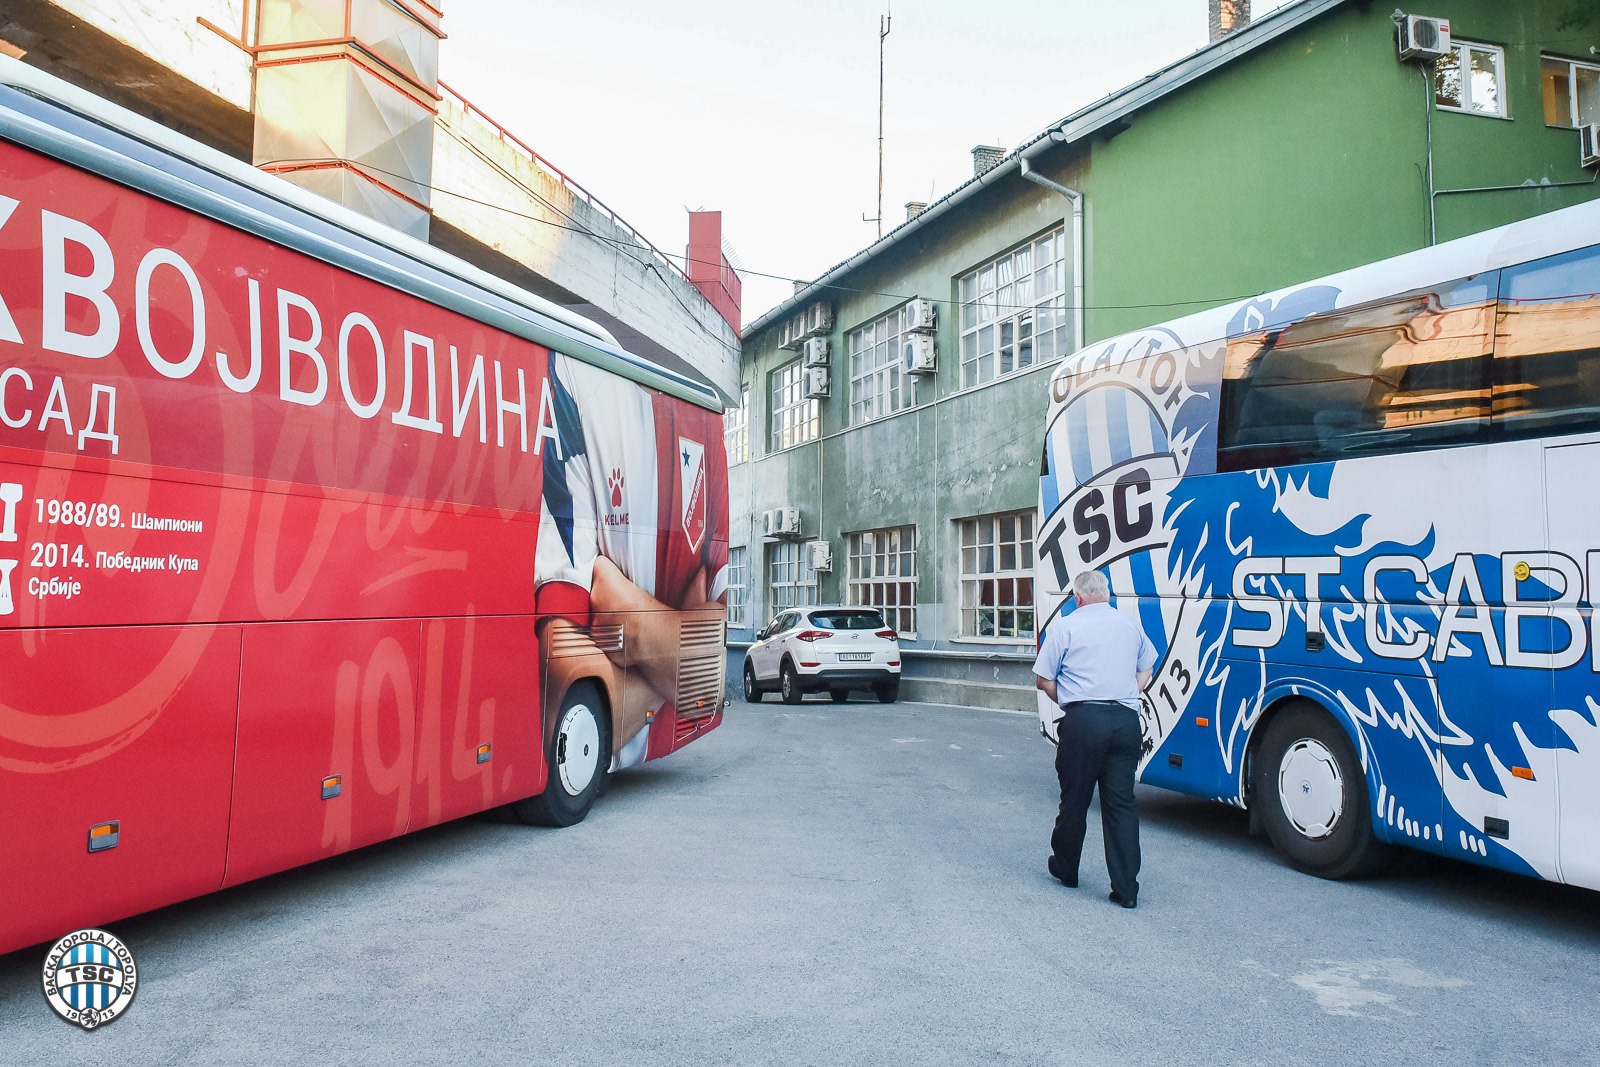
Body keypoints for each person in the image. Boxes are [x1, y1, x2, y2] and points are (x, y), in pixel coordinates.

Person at [1032, 569, 1156, 908]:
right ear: (1108, 593)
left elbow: (1043, 680)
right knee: (1121, 805)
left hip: (1084, 721)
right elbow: (1148, 666)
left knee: (1075, 800)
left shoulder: (1066, 627)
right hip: (1126, 721)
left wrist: (1072, 699)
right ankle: (1127, 890)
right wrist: (1132, 690)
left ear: (1078, 597)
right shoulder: (1130, 625)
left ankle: (1066, 869)